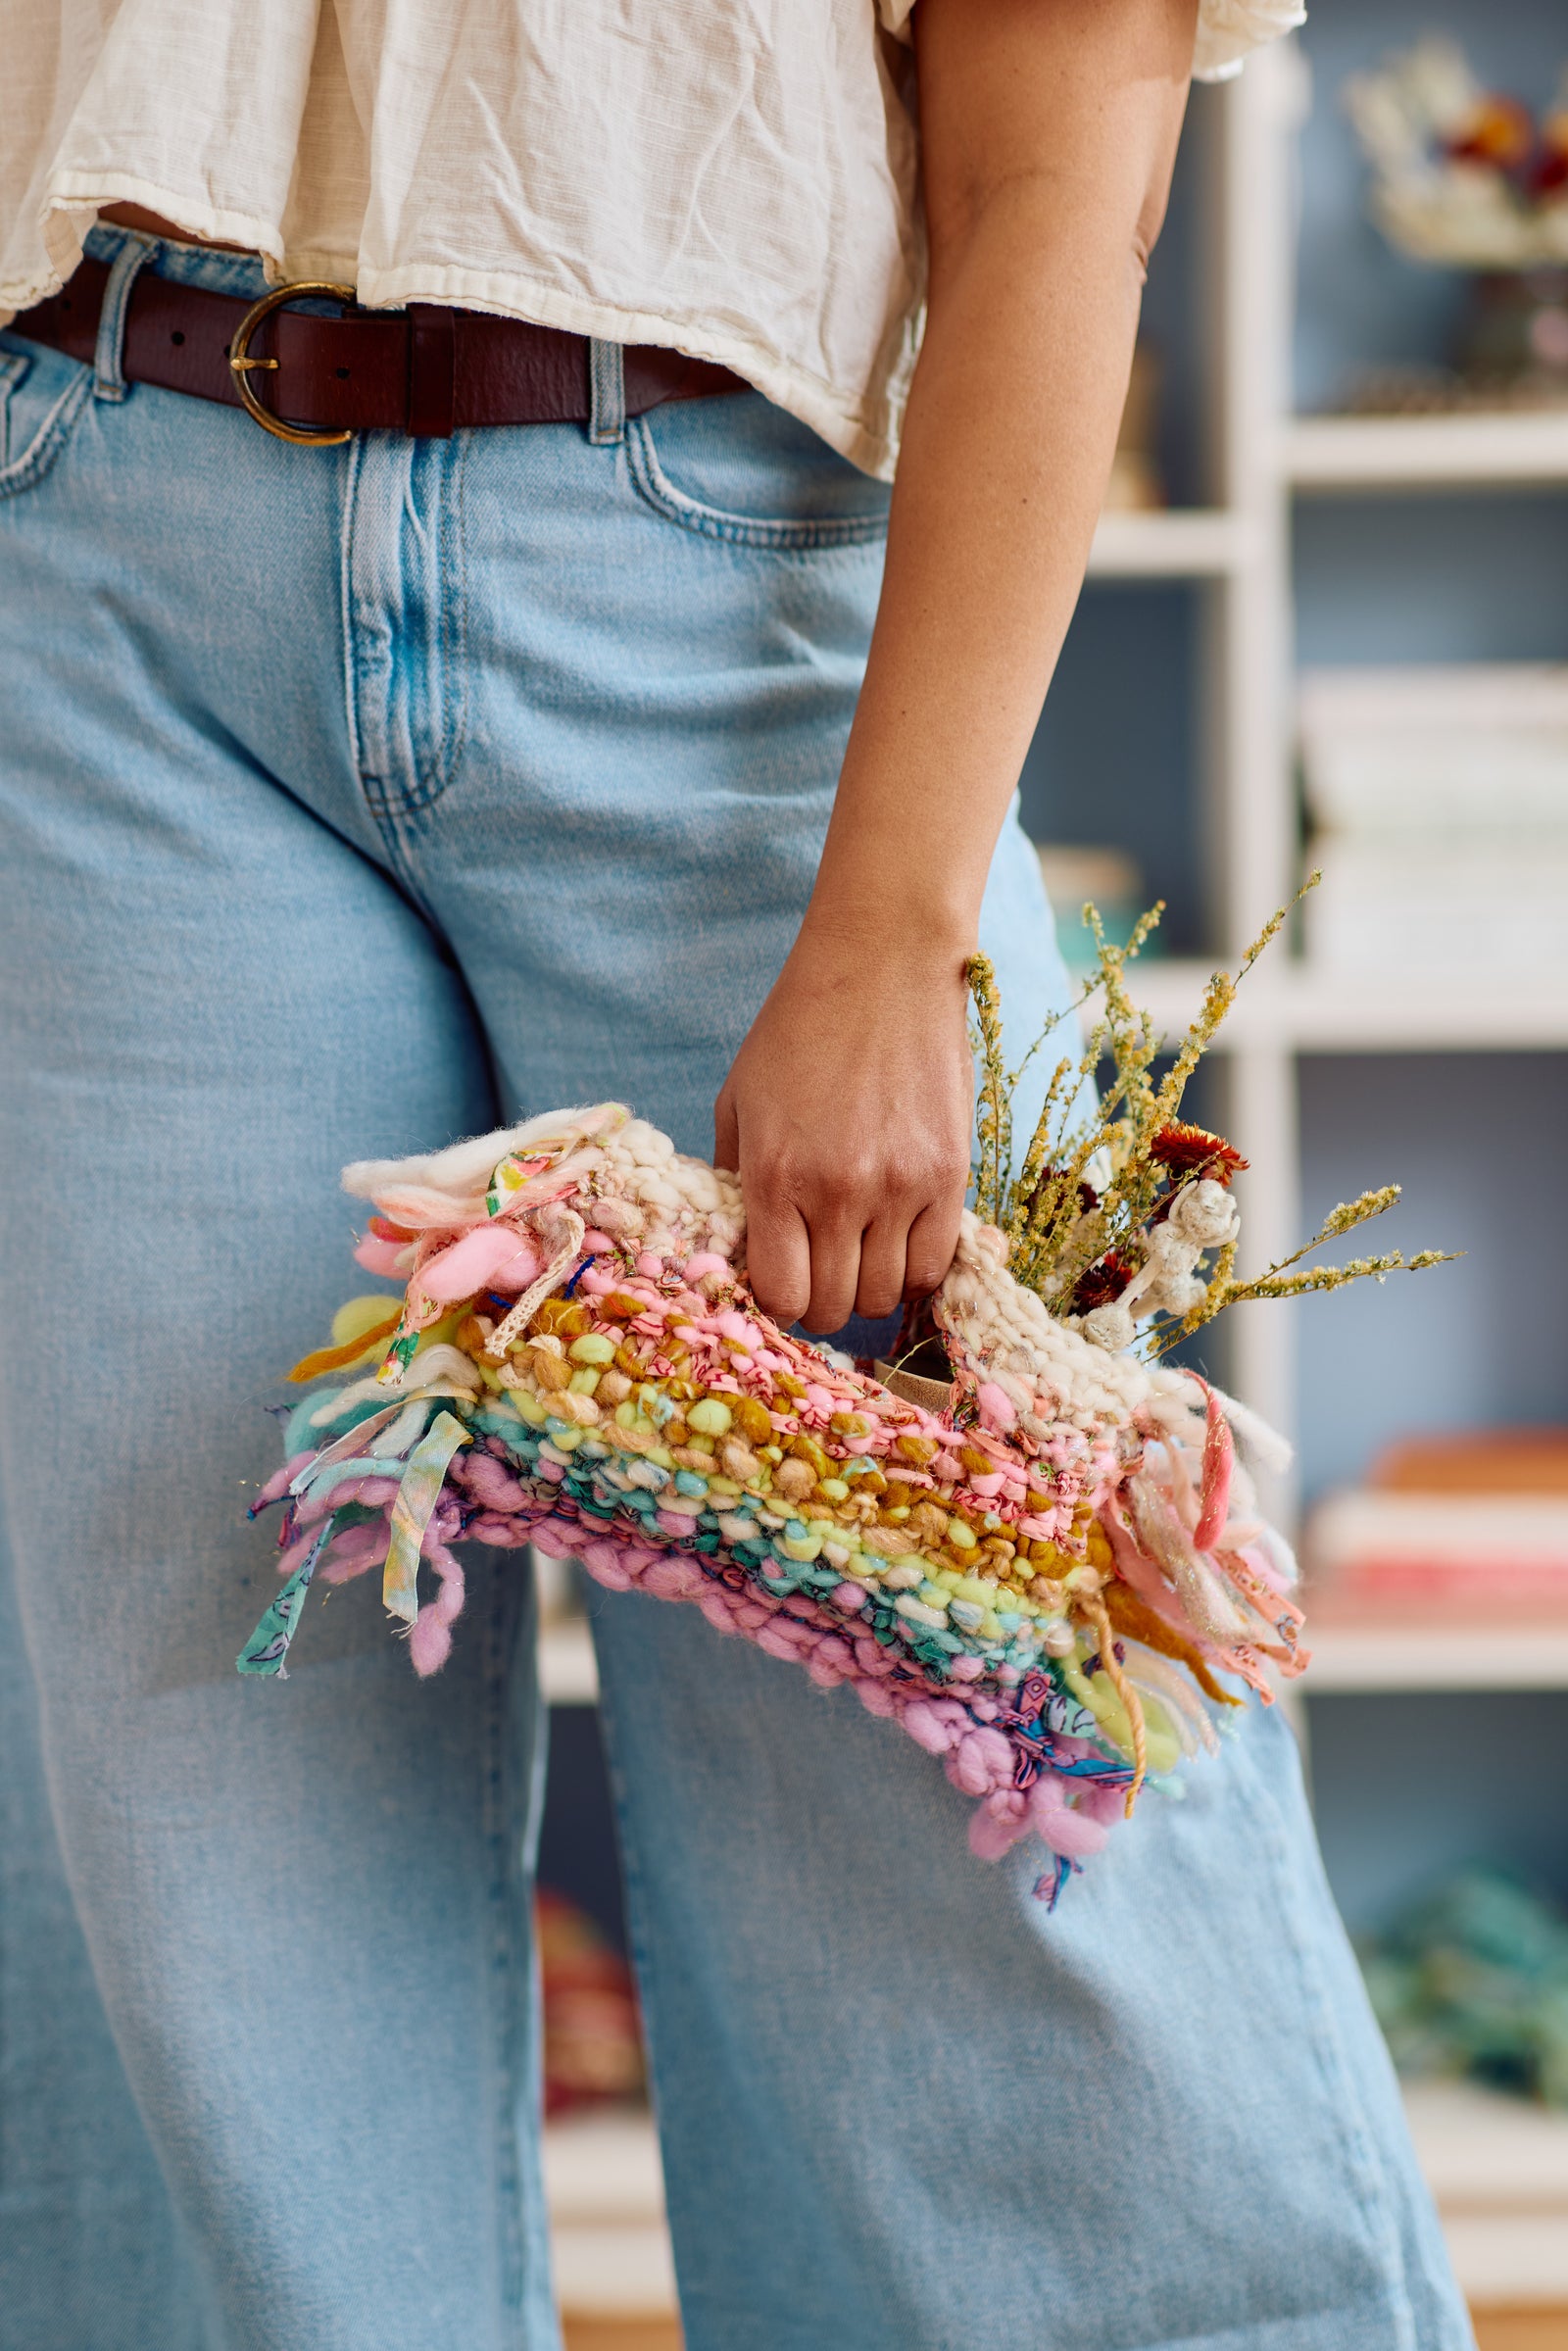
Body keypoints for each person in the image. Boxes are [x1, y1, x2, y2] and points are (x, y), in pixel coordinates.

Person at [0, 3, 1474, 2347]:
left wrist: (890, 926)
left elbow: (1050, 193)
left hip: (717, 568)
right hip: (93, 551)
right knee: (207, 1784)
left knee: (977, 1732)